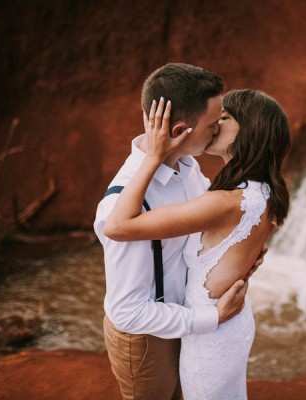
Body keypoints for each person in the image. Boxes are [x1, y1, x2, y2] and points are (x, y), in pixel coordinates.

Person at [104, 88, 291, 399]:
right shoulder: (261, 192)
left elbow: (118, 225)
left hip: (212, 332)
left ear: (250, 129)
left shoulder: (224, 201)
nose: (215, 123)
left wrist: (154, 156)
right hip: (230, 324)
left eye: (225, 117)